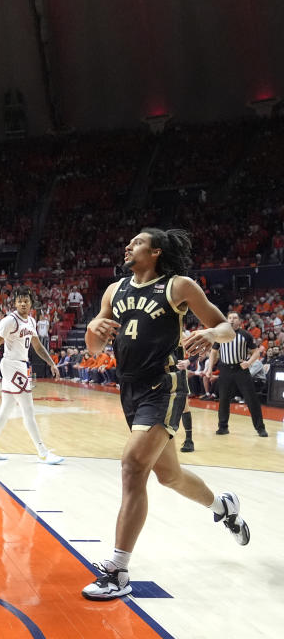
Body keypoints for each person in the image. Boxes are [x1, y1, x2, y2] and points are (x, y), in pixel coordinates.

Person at [81, 228, 250, 601]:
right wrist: (93, 328)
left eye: (137, 242)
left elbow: (223, 326)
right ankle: (224, 507)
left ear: (156, 251)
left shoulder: (178, 286)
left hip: (164, 385)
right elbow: (94, 346)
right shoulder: (115, 290)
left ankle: (117, 570)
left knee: (132, 465)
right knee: (168, 475)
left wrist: (211, 336)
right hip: (129, 388)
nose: (128, 245)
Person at [0, 288, 64, 464]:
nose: (23, 303)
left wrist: (51, 363)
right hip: (11, 365)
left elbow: (38, 347)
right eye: (20, 301)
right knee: (28, 409)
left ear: (31, 303)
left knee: (6, 409)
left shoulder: (31, 321)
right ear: (15, 304)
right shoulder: (9, 321)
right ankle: (42, 451)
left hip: (19, 365)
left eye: (26, 300)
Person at [208, 312, 268, 437]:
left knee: (251, 399)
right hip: (225, 369)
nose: (232, 320)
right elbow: (213, 352)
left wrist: (248, 362)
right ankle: (223, 427)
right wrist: (209, 369)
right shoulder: (221, 334)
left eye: (234, 318)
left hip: (240, 369)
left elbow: (256, 352)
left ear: (239, 321)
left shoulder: (245, 335)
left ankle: (260, 428)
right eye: (229, 317)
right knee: (223, 399)